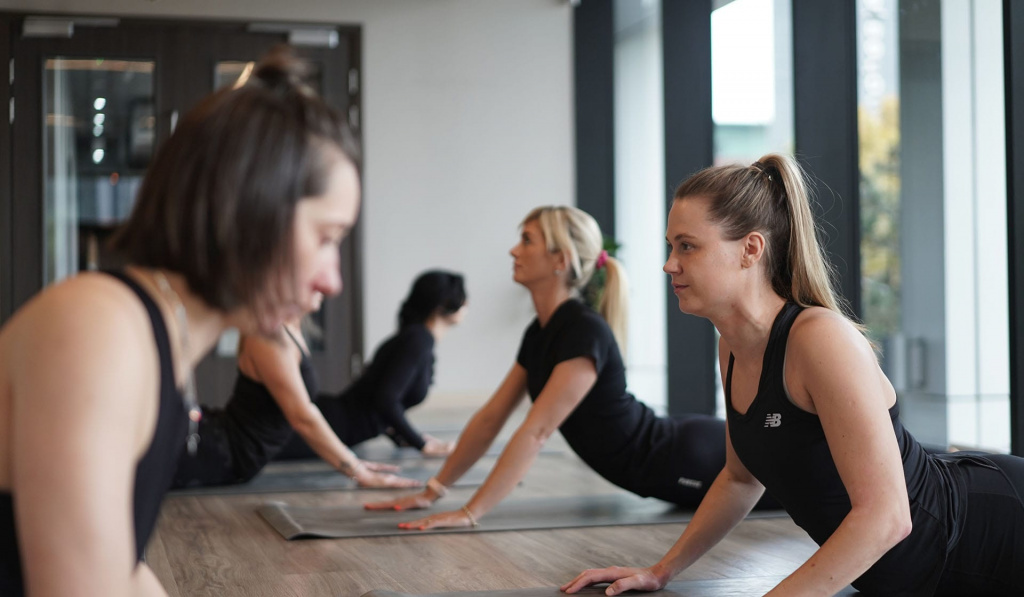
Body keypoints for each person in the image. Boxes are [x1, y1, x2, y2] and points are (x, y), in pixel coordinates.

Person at [562, 154, 1024, 596]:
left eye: (687, 246)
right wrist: (661, 571)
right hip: (912, 576)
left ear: (751, 249)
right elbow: (740, 479)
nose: (669, 264)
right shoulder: (733, 347)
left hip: (992, 533)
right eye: (671, 246)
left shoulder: (819, 339)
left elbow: (887, 516)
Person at [0, 46, 361, 595]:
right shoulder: (100, 329)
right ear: (250, 207)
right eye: (326, 238)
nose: (331, 280)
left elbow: (122, 569)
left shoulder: (158, 339)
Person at [366, 206, 765, 529]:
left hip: (689, 459)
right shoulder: (541, 332)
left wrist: (470, 513)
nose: (512, 251)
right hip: (678, 449)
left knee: (816, 491)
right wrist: (433, 490)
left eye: (526, 240)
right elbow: (491, 418)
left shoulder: (582, 332)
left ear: (560, 259)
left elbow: (537, 431)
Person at [171, 290, 420, 489]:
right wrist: (356, 471)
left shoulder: (293, 329)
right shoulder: (266, 336)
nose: (327, 286)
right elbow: (302, 415)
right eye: (313, 278)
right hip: (222, 451)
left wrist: (351, 460)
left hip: (234, 450)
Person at [276, 270, 468, 460]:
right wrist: (422, 444)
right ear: (443, 304)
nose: (466, 304)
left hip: (338, 425)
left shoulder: (416, 338)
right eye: (462, 298)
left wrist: (408, 439)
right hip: (332, 426)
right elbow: (386, 399)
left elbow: (383, 402)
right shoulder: (419, 339)